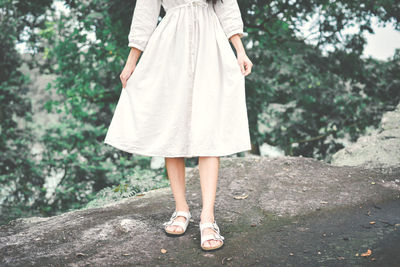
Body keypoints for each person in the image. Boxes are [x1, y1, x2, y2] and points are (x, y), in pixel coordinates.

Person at [104, 0, 253, 251]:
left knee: (209, 129)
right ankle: (181, 209)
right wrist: (131, 63)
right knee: (171, 125)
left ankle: (208, 218)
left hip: (211, 46)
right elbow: (145, 13)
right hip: (170, 49)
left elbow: (226, 7)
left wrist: (240, 50)